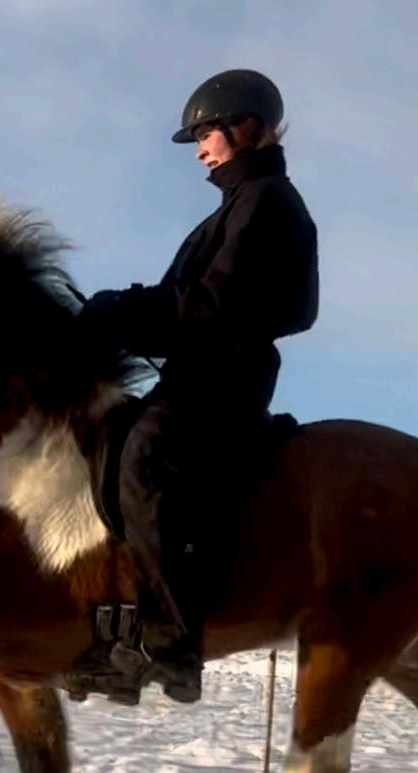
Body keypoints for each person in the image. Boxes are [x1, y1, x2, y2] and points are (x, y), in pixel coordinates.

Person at [74, 68, 319, 703]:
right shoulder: (238, 205)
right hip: (198, 369)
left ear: (247, 126)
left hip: (223, 377)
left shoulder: (267, 203)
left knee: (146, 458)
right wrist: (119, 315)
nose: (201, 149)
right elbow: (188, 302)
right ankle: (117, 622)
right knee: (103, 440)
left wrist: (125, 310)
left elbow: (214, 306)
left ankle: (173, 644)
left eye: (207, 133)